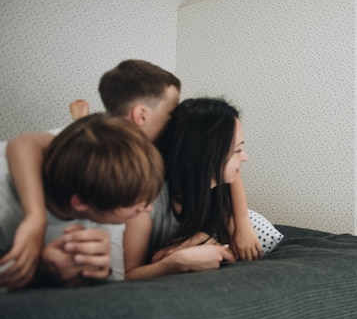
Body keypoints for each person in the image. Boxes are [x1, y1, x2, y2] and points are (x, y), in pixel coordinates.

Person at [4, 59, 260, 287]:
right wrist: (35, 217)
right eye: (172, 112)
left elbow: (223, 168)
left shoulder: (147, 161)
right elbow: (23, 144)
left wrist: (242, 224)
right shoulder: (94, 143)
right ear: (141, 115)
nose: (178, 120)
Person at [0, 114, 163, 289]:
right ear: (80, 203)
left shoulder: (105, 206)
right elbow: (24, 143)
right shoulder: (5, 204)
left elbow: (114, 283)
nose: (148, 209)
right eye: (133, 203)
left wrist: (97, 271)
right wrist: (42, 271)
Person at [123, 97, 247, 280]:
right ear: (207, 154)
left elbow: (238, 256)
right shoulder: (146, 201)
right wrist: (174, 263)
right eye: (237, 150)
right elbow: (128, 275)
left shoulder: (216, 192)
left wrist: (201, 239)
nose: (245, 157)